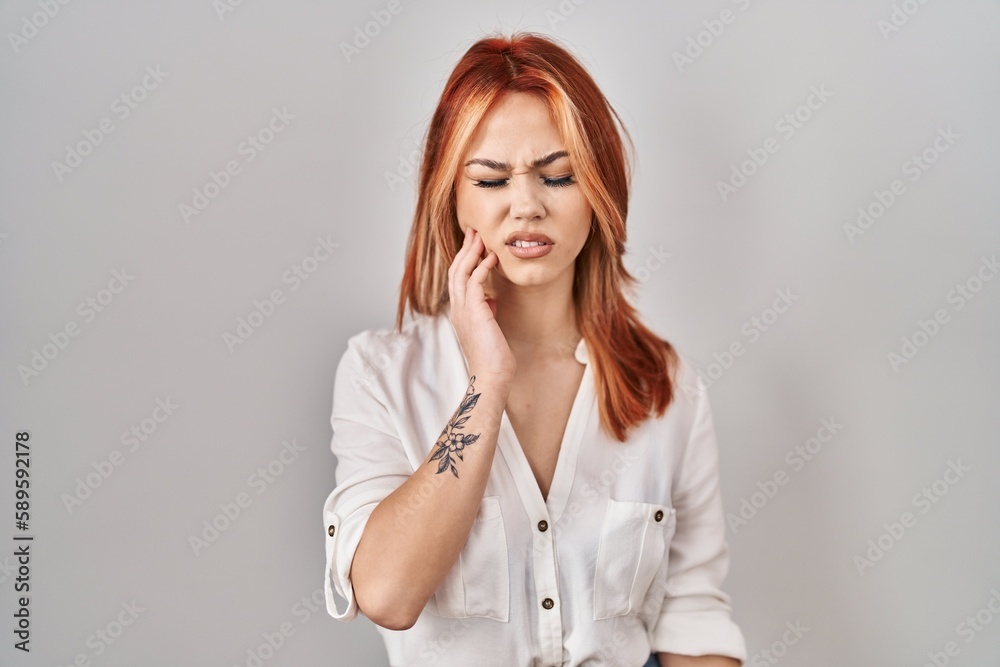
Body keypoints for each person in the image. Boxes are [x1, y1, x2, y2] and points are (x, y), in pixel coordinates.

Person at [323, 31, 747, 667]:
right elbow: (387, 592)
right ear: (452, 196)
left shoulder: (665, 384)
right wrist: (487, 383)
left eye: (558, 176)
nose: (527, 206)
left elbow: (693, 616)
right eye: (492, 180)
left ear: (598, 190)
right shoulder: (381, 375)